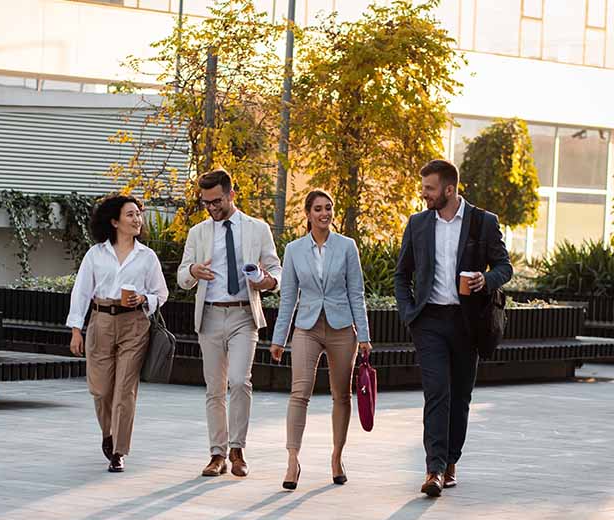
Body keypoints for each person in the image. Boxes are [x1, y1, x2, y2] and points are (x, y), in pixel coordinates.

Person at [394, 159, 512, 497]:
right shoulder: (417, 223)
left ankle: (451, 461)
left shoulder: (482, 222)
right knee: (436, 393)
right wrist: (408, 312)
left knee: (460, 397)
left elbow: (505, 266)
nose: (424, 194)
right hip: (428, 321)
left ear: (449, 189)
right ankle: (434, 468)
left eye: (429, 189)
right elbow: (402, 274)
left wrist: (485, 279)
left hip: (467, 323)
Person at [178, 168, 282, 478]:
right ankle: (217, 454)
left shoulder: (256, 229)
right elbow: (182, 276)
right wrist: (194, 271)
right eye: (206, 203)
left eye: (217, 201)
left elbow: (277, 271)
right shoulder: (198, 233)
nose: (211, 208)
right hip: (209, 315)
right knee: (214, 389)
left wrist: (266, 281)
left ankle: (238, 450)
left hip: (242, 314)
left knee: (239, 380)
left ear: (231, 194)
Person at [269, 190, 372, 490]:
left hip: (342, 329)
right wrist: (279, 339)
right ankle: (292, 461)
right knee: (299, 393)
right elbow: (289, 297)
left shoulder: (347, 247)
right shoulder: (294, 250)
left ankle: (337, 457)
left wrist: (363, 335)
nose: (324, 213)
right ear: (308, 213)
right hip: (307, 327)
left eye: (328, 208)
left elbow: (357, 293)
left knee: (341, 395)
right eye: (318, 209)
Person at [67, 194, 168, 473]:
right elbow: (82, 292)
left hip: (134, 325)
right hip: (100, 322)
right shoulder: (96, 254)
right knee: (100, 390)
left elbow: (161, 292)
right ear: (114, 221)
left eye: (139, 214)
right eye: (130, 215)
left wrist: (144, 299)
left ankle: (119, 450)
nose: (137, 219)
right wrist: (77, 329)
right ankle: (108, 434)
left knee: (125, 389)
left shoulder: (147, 257)